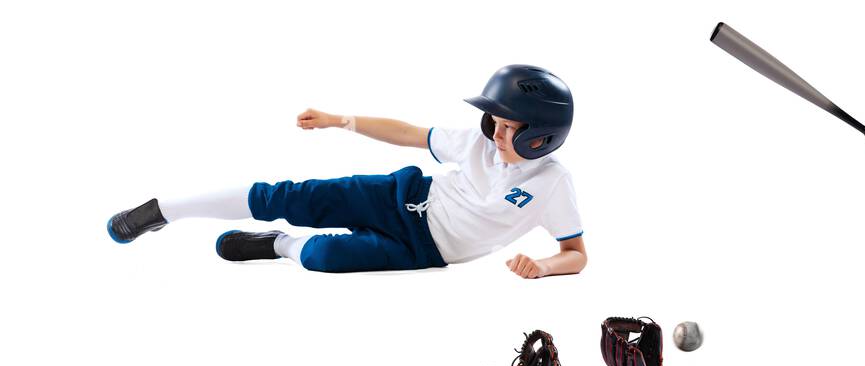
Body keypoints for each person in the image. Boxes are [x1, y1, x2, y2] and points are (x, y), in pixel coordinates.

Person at [106, 65, 586, 279]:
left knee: (323, 258)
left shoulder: (552, 184)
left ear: (540, 136)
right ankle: (163, 210)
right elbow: (410, 133)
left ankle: (275, 245)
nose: (496, 134)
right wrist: (343, 121)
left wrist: (542, 266)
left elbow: (576, 254)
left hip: (424, 249)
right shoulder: (479, 141)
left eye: (508, 127)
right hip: (402, 197)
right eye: (495, 122)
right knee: (288, 196)